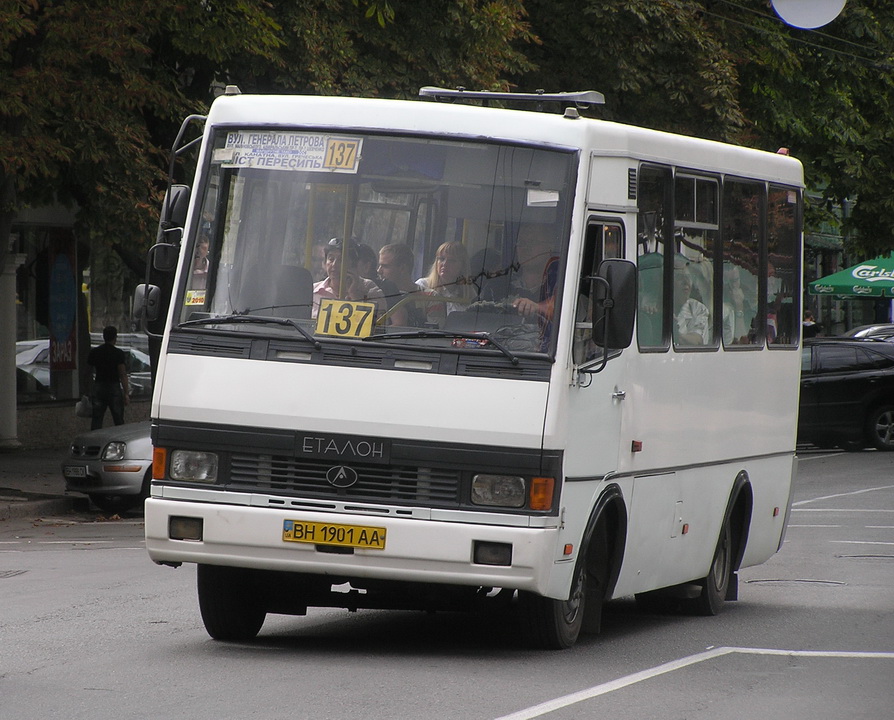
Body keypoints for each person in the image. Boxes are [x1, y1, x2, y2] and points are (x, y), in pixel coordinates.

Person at [312, 238, 385, 318]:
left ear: (353, 264)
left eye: (341, 260)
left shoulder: (369, 288)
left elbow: (377, 322)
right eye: (331, 259)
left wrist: (354, 294)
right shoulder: (313, 291)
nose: (334, 265)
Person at [416, 241, 472, 325]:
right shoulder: (422, 286)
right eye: (441, 259)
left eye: (452, 260)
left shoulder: (469, 293)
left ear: (462, 266)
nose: (445, 264)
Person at [86, 325, 130, 429]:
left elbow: (87, 372)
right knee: (118, 418)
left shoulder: (95, 352)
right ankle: (119, 440)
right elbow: (122, 374)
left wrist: (88, 390)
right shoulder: (118, 353)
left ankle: (94, 440)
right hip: (114, 387)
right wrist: (126, 393)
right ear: (115, 337)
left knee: (97, 418)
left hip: (99, 386)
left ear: (103, 336)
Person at [378, 243, 425, 326]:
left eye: (385, 266)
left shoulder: (430, 297)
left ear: (402, 268)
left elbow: (436, 332)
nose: (379, 271)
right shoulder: (376, 293)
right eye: (379, 265)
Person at [673, 257, 711, 345]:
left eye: (689, 277)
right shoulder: (651, 304)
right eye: (680, 277)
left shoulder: (698, 308)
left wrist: (675, 334)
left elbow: (697, 341)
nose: (686, 282)